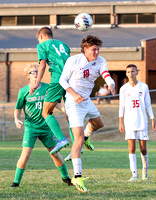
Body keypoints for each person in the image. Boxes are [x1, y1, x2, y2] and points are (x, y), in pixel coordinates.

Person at [59, 35, 115, 193]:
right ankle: (77, 177)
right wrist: (74, 95)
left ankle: (87, 138)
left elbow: (105, 74)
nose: (96, 52)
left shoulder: (101, 60)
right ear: (85, 49)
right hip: (73, 101)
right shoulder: (73, 60)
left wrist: (111, 83)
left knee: (99, 124)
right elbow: (62, 81)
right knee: (77, 139)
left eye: (98, 49)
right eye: (93, 49)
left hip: (86, 101)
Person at [11, 63, 72, 187]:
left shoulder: (48, 88)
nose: (35, 74)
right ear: (27, 75)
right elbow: (17, 108)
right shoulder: (23, 91)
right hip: (31, 128)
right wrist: (16, 119)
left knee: (55, 154)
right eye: (33, 72)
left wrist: (66, 110)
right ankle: (16, 182)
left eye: (38, 71)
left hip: (46, 127)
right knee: (25, 154)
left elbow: (57, 103)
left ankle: (66, 178)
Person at [29, 27, 70, 155]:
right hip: (70, 81)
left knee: (45, 112)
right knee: (70, 115)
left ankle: (61, 139)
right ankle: (76, 149)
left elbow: (42, 65)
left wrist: (36, 83)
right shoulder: (64, 45)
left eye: (38, 40)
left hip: (58, 80)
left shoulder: (42, 46)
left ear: (41, 37)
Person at [119, 64, 156, 182]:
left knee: (143, 149)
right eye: (128, 72)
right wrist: (120, 122)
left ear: (137, 72)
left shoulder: (144, 87)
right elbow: (122, 106)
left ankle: (145, 172)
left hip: (142, 121)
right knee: (131, 148)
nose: (131, 74)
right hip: (129, 122)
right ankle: (134, 174)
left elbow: (148, 104)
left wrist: (152, 119)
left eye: (133, 71)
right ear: (126, 74)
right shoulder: (123, 89)